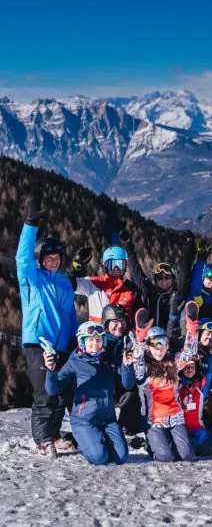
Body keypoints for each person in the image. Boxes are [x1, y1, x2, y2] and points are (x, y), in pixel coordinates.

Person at [16, 192, 78, 458]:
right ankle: (43, 440)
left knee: (60, 395)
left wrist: (75, 339)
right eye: (49, 257)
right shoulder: (32, 279)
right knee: (44, 394)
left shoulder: (63, 282)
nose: (54, 260)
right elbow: (22, 258)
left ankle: (53, 435)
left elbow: (69, 314)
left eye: (57, 257)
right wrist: (30, 224)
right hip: (39, 343)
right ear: (40, 259)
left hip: (63, 345)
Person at [44, 321, 135, 465]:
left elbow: (127, 384)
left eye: (98, 340)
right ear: (82, 342)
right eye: (90, 340)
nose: (95, 344)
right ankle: (81, 441)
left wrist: (127, 366)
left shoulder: (109, 360)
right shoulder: (74, 362)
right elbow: (53, 389)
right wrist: (51, 370)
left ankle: (96, 440)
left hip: (108, 420)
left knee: (121, 457)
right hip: (84, 421)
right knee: (99, 458)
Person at [133, 304, 199, 463]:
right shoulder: (144, 368)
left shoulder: (174, 363)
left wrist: (192, 328)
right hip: (154, 420)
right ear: (148, 347)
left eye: (162, 343)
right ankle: (153, 443)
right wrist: (141, 338)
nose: (159, 349)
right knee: (165, 457)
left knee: (187, 456)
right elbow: (136, 358)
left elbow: (189, 353)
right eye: (154, 344)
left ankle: (172, 441)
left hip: (175, 417)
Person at [72, 243, 140, 323]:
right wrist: (77, 266)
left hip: (121, 333)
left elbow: (139, 317)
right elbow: (69, 285)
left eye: (120, 264)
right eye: (112, 264)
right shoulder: (93, 283)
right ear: (105, 265)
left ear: (125, 266)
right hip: (97, 333)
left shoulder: (132, 289)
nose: (116, 268)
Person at [102, 303, 142, 436]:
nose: (120, 326)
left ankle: (128, 427)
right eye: (115, 322)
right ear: (106, 323)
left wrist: (127, 364)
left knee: (133, 394)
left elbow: (128, 383)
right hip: (103, 387)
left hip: (121, 386)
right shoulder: (98, 342)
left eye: (123, 322)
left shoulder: (129, 343)